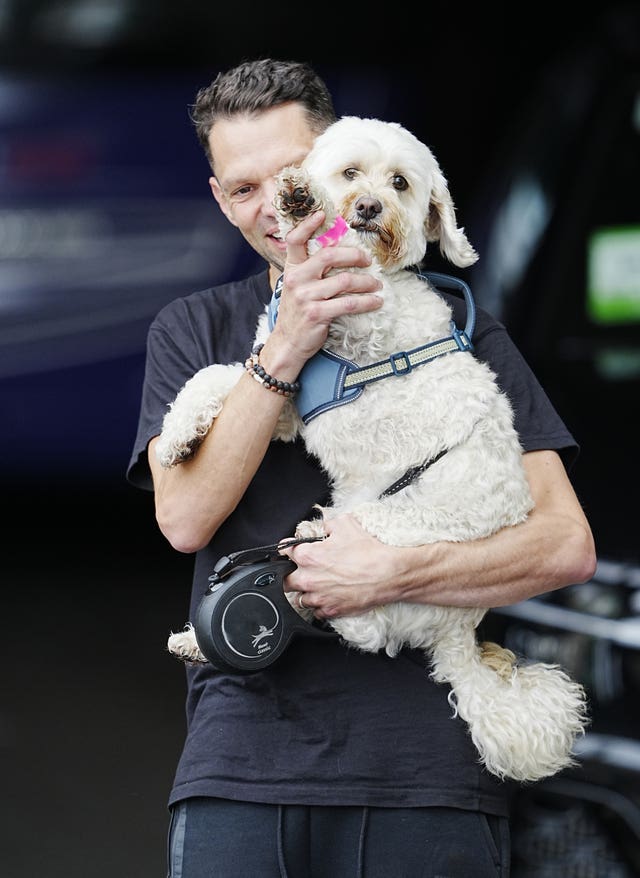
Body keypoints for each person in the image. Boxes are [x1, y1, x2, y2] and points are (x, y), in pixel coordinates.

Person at [127, 58, 596, 878]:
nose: (274, 207)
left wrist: (394, 573)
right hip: (242, 765)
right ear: (217, 198)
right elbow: (185, 519)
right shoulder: (193, 328)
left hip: (429, 771)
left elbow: (565, 546)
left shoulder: (458, 328)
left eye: (290, 177)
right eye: (243, 190)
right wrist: (288, 343)